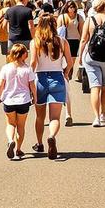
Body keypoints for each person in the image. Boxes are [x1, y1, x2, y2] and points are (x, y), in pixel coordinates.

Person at [30, 12, 73, 159]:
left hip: (40, 79)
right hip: (57, 77)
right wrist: (65, 73)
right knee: (55, 117)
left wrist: (29, 80)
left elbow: (33, 63)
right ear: (54, 25)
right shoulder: (62, 41)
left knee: (39, 116)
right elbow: (70, 62)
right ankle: (52, 136)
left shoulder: (35, 42)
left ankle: (39, 143)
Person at [78, 0, 105, 127]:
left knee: (95, 87)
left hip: (91, 57)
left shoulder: (89, 20)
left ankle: (96, 118)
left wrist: (80, 56)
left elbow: (84, 40)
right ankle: (103, 114)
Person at [0, 43, 36, 160]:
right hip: (23, 100)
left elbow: (0, 85)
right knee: (21, 126)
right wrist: (35, 97)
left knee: (10, 123)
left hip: (9, 100)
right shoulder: (27, 69)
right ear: (24, 55)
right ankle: (18, 149)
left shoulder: (6, 68)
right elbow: (32, 85)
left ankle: (10, 140)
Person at [59, 1, 83, 126]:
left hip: (75, 41)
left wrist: (82, 42)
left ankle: (68, 72)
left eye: (73, 6)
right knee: (65, 61)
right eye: (70, 6)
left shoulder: (79, 17)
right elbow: (59, 31)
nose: (71, 8)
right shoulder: (62, 17)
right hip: (65, 41)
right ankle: (66, 73)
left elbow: (82, 31)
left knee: (71, 62)